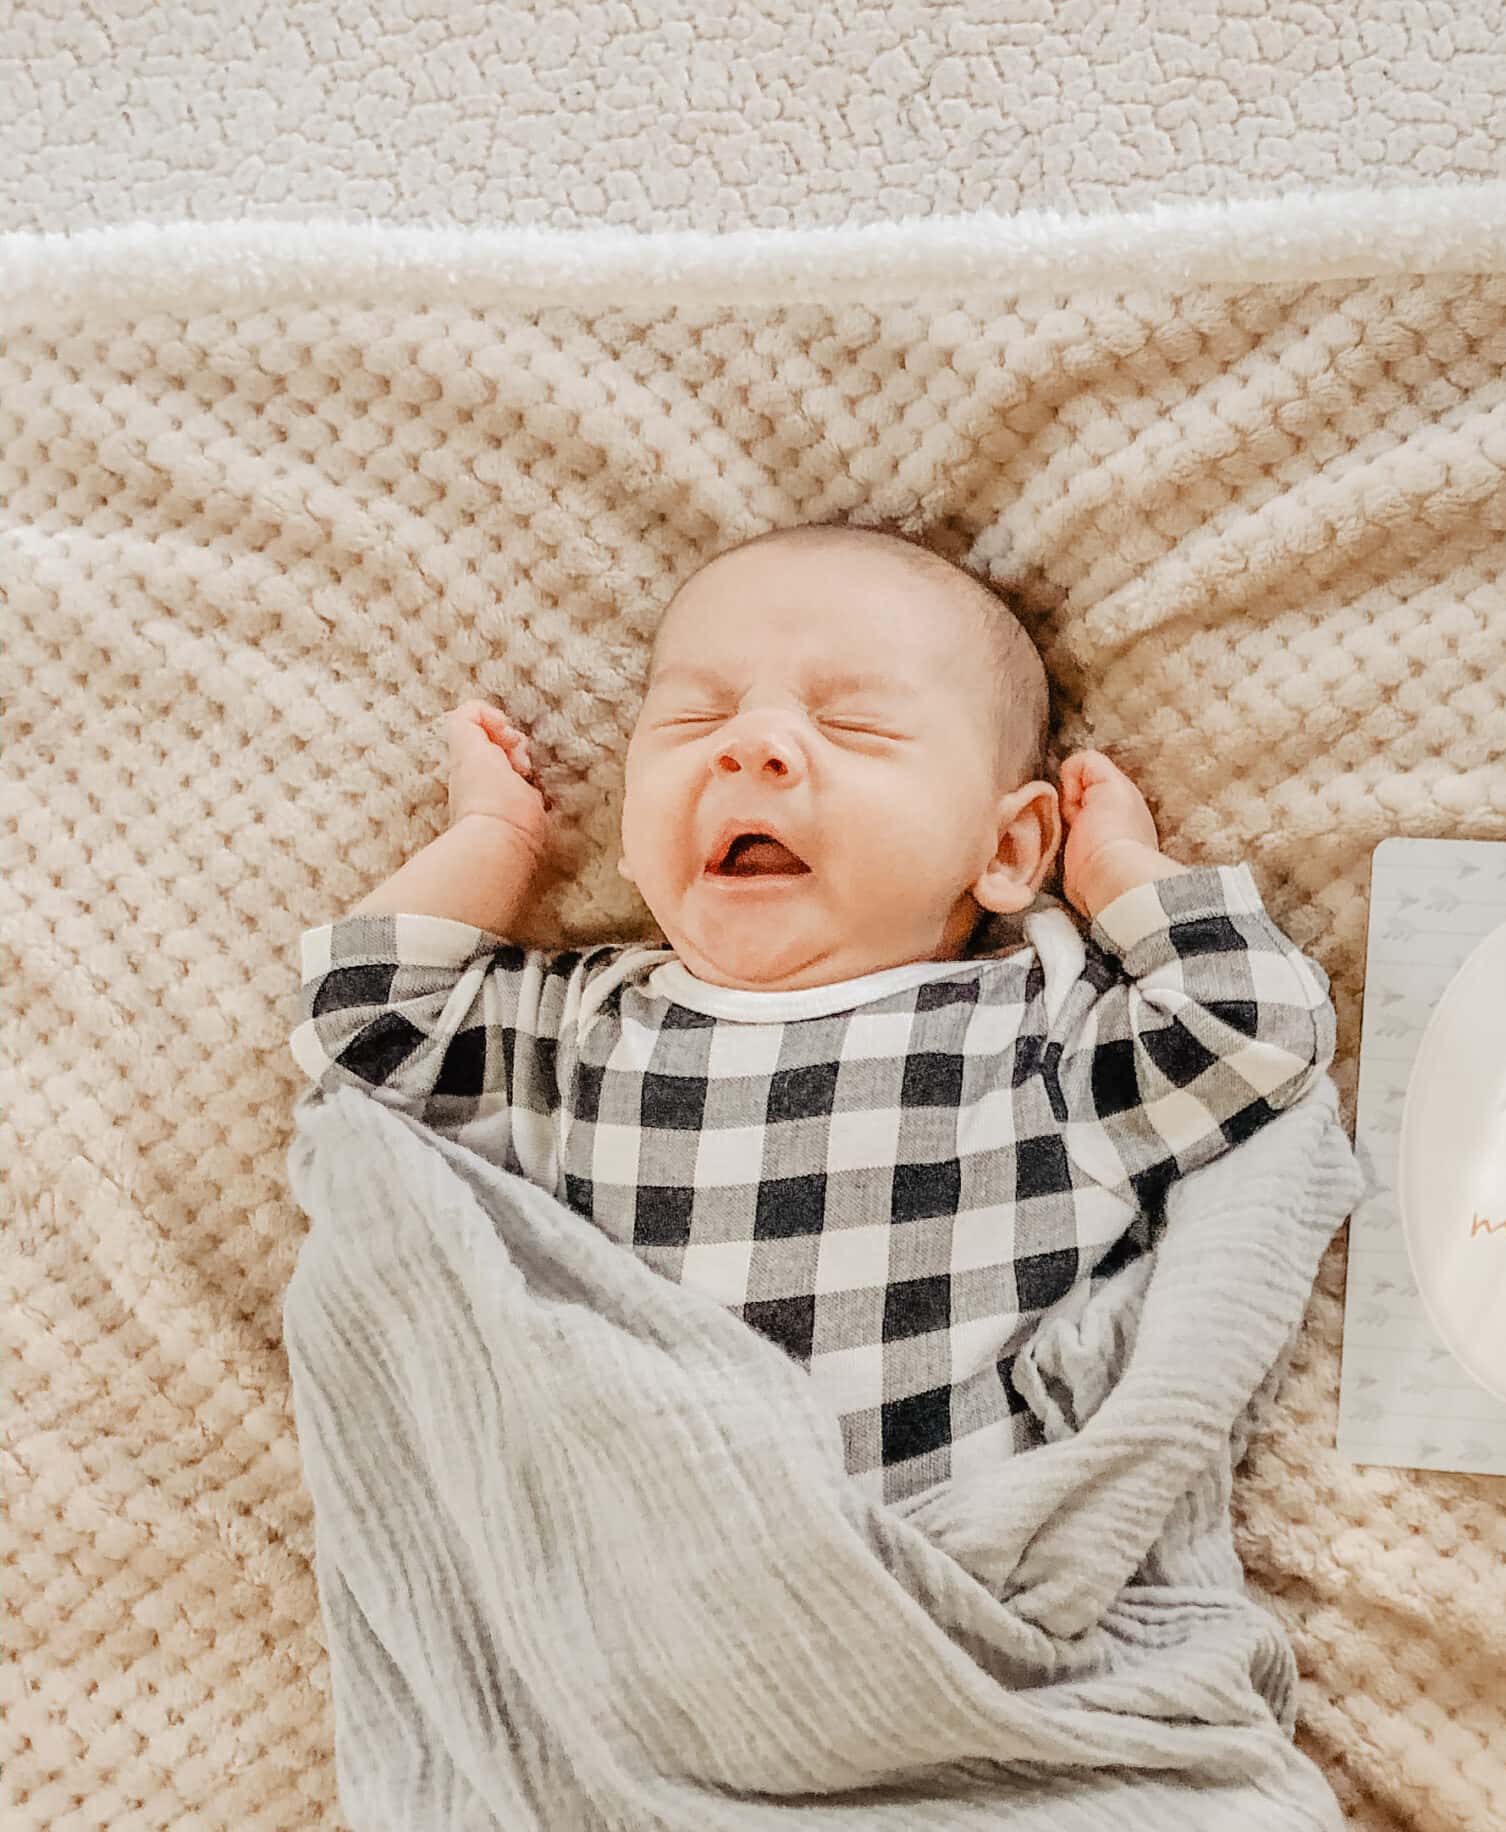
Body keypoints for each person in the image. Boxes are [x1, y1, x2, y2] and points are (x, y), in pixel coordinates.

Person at [289, 518, 1337, 1498]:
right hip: (643, 1562)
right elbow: (366, 1032)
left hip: (924, 1578)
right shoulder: (576, 1033)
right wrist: (495, 838)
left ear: (1009, 848)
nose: (753, 746)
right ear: (625, 828)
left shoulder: (1035, 1039)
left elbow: (1254, 1035)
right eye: (695, 718)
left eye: (855, 724)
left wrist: (1122, 876)